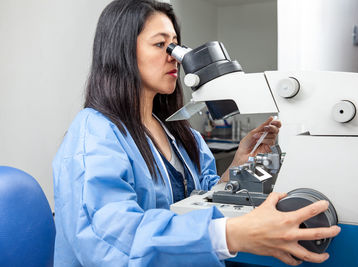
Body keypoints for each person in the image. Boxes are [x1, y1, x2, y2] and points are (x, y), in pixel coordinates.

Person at [52, 0, 341, 266]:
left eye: (175, 45)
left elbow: (207, 199)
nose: (175, 57)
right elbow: (109, 239)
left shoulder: (176, 131)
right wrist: (230, 235)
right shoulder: (95, 133)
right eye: (161, 44)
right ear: (123, 52)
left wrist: (245, 166)